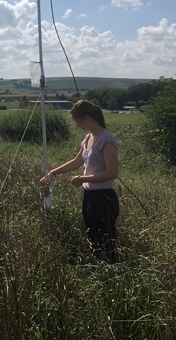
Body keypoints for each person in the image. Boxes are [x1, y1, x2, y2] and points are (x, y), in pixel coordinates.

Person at [40, 100, 120, 263]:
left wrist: (83, 178)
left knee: (105, 240)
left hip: (104, 198)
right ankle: (100, 269)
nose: (77, 126)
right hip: (90, 196)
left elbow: (112, 173)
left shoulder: (106, 139)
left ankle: (112, 272)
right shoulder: (88, 138)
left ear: (88, 118)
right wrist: (53, 172)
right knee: (92, 235)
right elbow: (77, 162)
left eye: (78, 122)